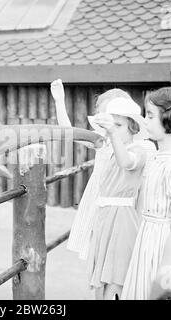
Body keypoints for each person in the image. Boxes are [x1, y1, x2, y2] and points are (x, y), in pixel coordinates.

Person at [50, 80, 156, 300]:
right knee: (100, 273)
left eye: (117, 124)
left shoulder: (141, 147)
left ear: (132, 125)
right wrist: (60, 102)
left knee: (119, 273)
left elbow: (130, 167)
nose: (110, 127)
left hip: (128, 211)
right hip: (102, 208)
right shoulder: (106, 142)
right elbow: (72, 133)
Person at [121, 87, 171, 300]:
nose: (145, 122)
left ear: (169, 118)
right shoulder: (158, 155)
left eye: (150, 115)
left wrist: (165, 269)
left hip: (168, 246)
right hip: (150, 239)